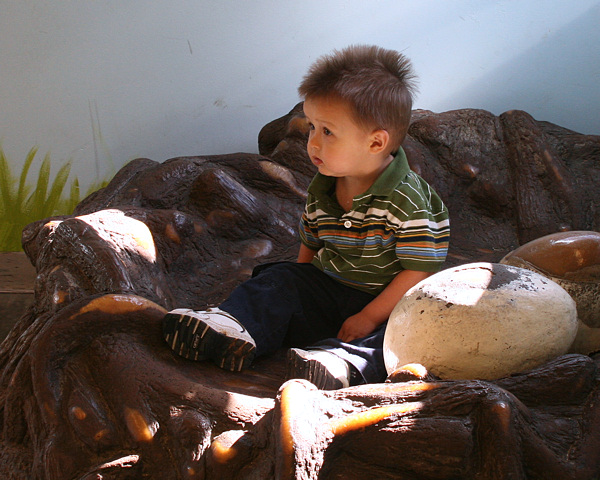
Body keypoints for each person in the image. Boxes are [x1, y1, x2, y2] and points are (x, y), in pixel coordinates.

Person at [162, 45, 450, 389]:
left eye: (327, 131)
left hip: (387, 300)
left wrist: (368, 316)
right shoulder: (324, 185)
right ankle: (233, 327)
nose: (312, 142)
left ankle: (341, 363)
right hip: (331, 288)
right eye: (312, 126)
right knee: (281, 278)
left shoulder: (407, 198)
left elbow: (418, 270)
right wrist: (298, 287)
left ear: (375, 143)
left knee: (406, 328)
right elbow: (310, 242)